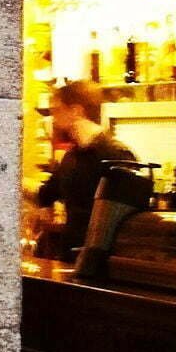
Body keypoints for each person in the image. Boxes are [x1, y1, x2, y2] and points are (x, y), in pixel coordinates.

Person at [31, 80, 137, 260]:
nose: (52, 118)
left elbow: (127, 219)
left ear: (76, 111)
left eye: (56, 110)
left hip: (102, 260)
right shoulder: (71, 156)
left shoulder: (117, 154)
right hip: (71, 255)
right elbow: (46, 193)